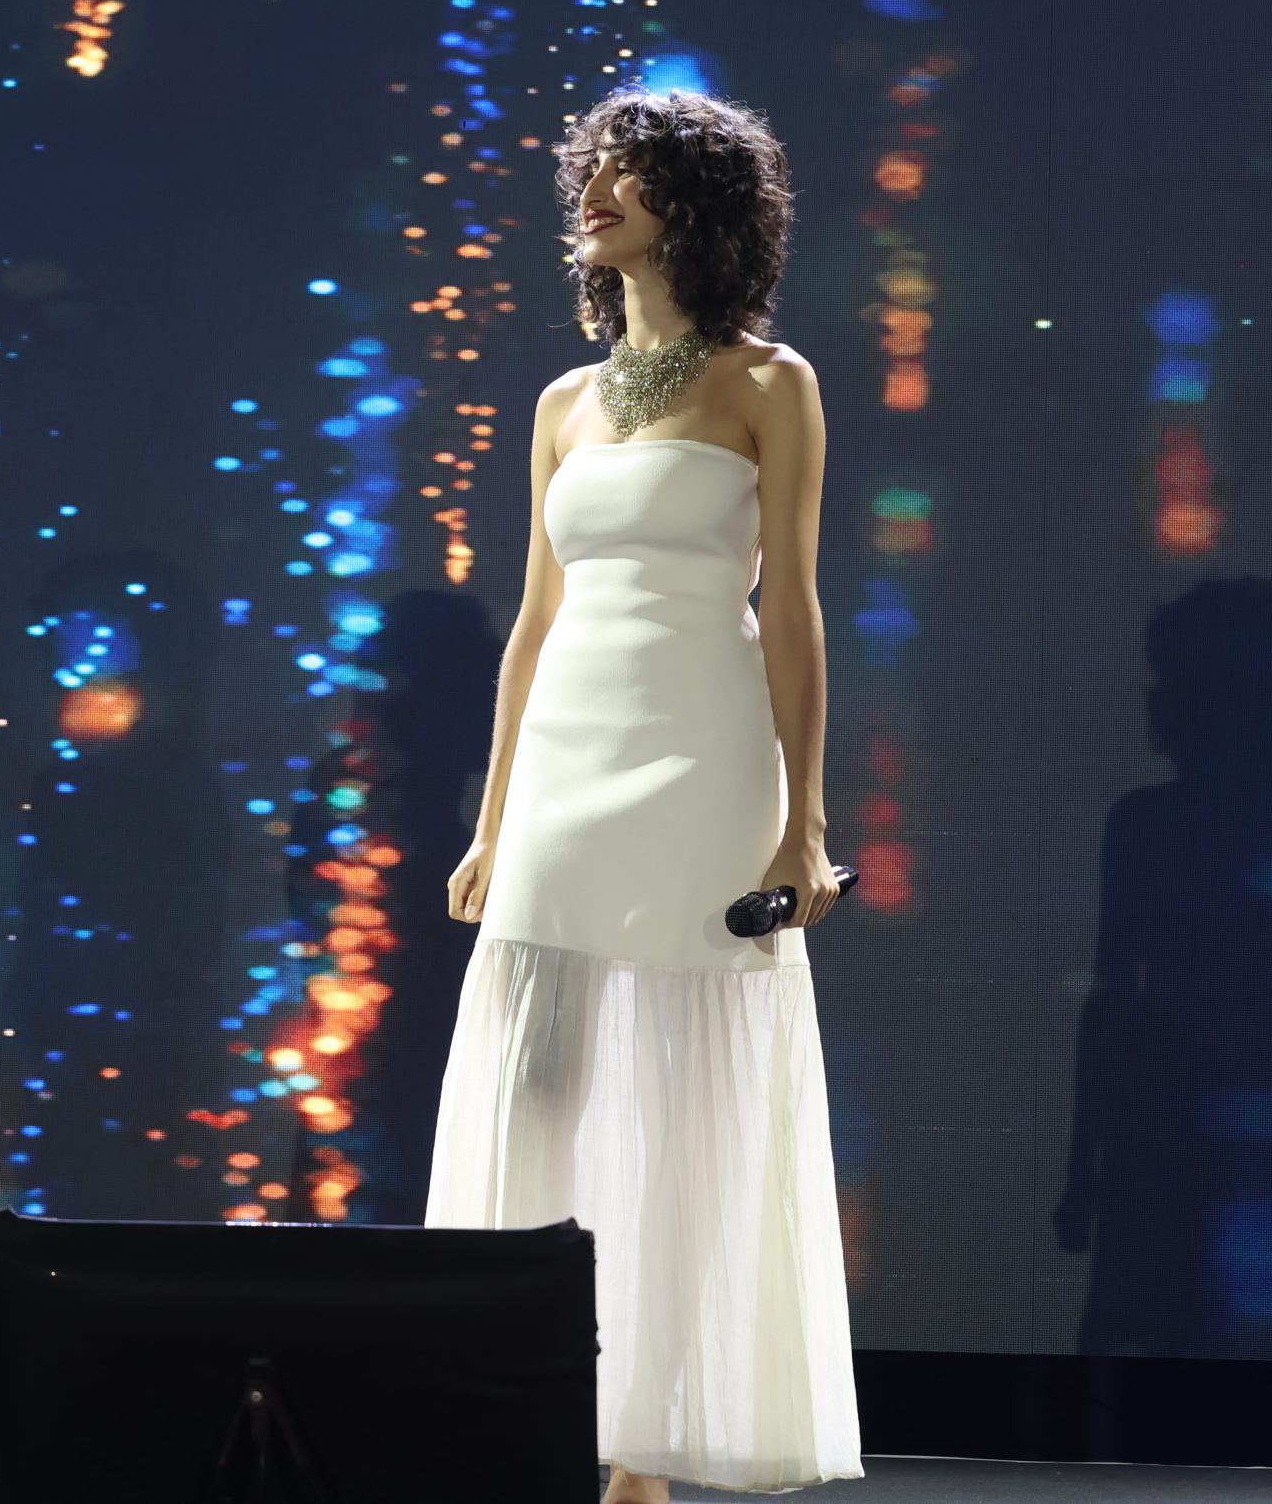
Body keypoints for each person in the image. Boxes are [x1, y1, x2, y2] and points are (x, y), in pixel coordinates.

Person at [426, 87, 863, 1498]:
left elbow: (790, 611)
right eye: (593, 171)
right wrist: (493, 818)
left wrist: (804, 824)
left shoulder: (769, 383)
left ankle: (643, 1458)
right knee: (537, 1083)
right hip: (568, 761)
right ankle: (528, 1410)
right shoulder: (563, 402)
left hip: (703, 753)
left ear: (698, 207)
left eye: (631, 173)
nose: (597, 191)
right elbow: (532, 623)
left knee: (683, 1107)